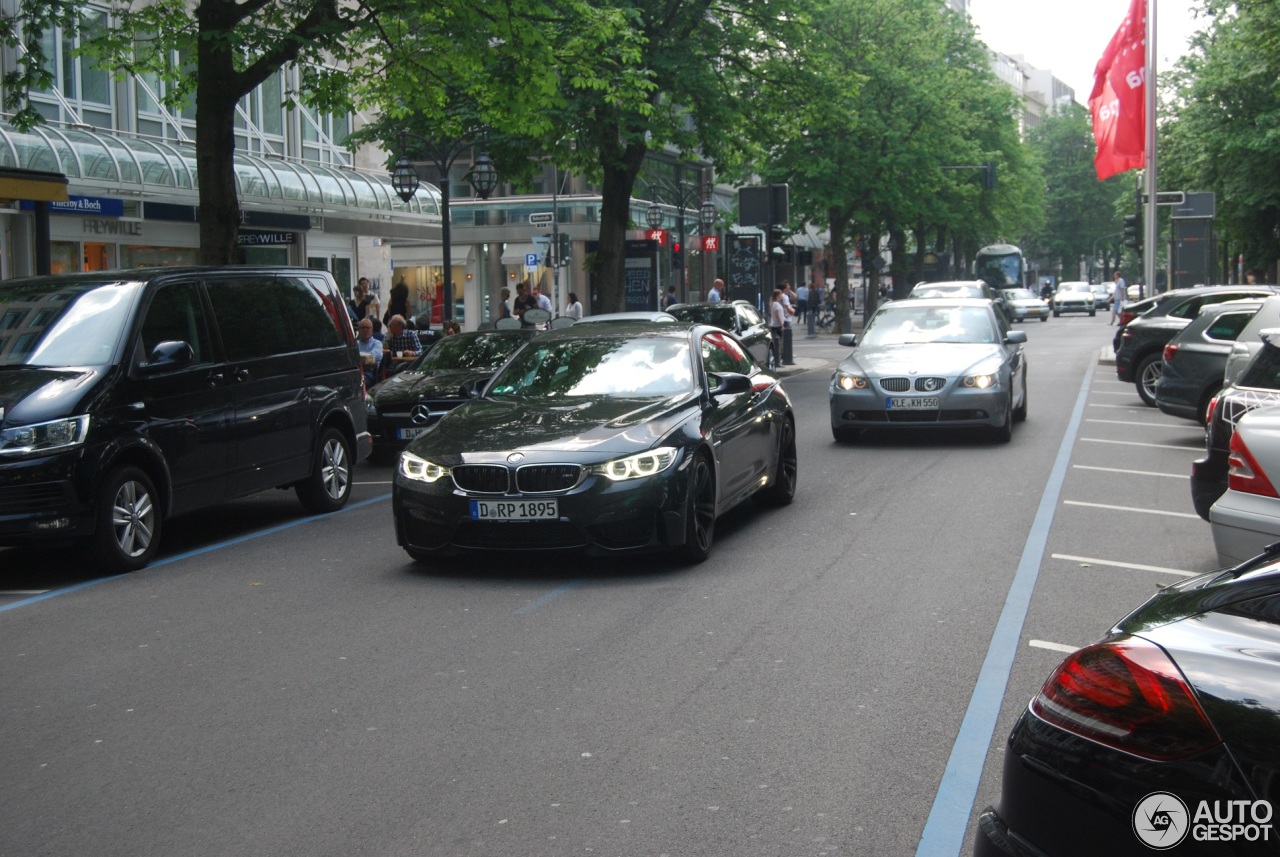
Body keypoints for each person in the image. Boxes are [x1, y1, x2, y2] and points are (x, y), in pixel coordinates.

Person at [354, 318, 382, 385]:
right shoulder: (355, 344)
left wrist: (359, 359)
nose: (365, 330)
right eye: (362, 328)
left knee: (358, 382)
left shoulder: (377, 343)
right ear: (359, 330)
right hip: (356, 371)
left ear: (372, 330)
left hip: (370, 372)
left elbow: (372, 357)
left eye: (367, 328)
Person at [768, 288, 786, 366]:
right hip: (777, 326)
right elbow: (777, 315)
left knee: (779, 343)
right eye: (781, 294)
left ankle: (779, 360)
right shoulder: (775, 304)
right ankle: (778, 360)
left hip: (776, 325)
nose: (782, 295)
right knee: (779, 343)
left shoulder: (775, 304)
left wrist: (784, 316)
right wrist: (781, 325)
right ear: (778, 295)